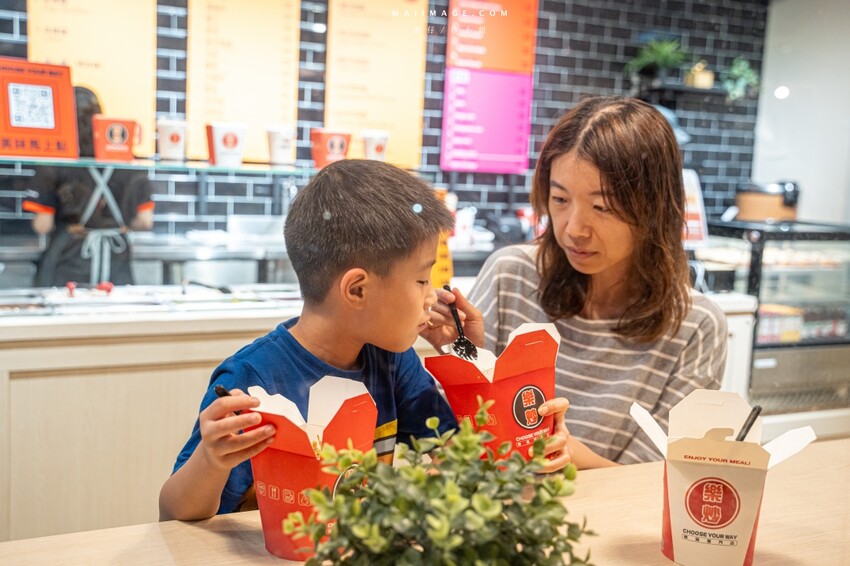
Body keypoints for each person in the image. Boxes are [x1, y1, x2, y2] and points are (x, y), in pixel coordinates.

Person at [158, 159, 573, 521]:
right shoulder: (254, 378)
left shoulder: (392, 362)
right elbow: (174, 515)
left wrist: (469, 363)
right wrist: (211, 460)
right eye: (421, 279)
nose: (433, 296)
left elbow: (466, 459)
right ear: (357, 289)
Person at [423, 96, 727, 467]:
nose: (574, 229)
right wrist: (469, 362)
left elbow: (659, 480)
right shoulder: (511, 275)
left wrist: (570, 455)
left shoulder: (696, 326)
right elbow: (452, 446)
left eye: (602, 207)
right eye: (560, 199)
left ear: (655, 207)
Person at [22, 86, 154, 287]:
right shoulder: (129, 162)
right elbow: (144, 221)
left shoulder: (54, 160)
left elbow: (42, 225)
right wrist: (116, 226)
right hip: (116, 263)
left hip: (68, 264)